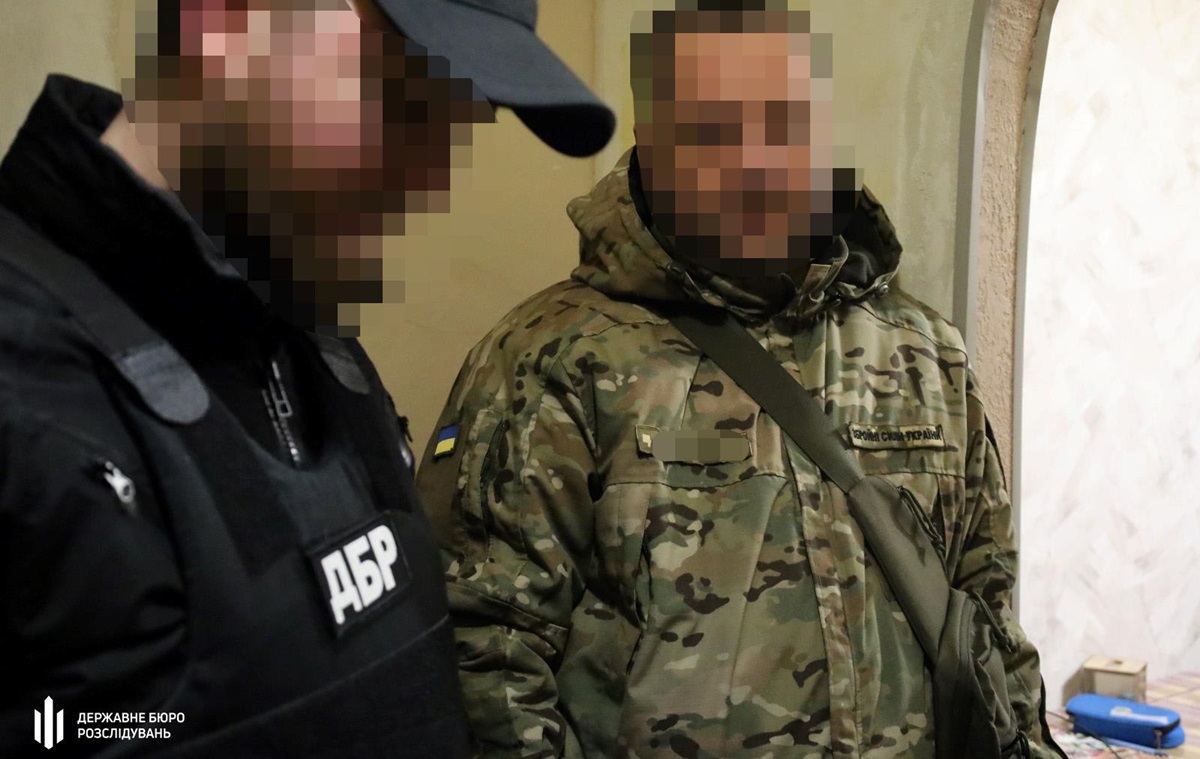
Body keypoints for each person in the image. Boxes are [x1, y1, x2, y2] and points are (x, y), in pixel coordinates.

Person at [416, 1, 1063, 756]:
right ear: (651, 138)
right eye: (716, 129)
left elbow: (986, 619)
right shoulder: (550, 361)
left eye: (783, 122)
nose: (757, 159)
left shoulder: (924, 354)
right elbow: (486, 653)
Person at [0, 0, 613, 757]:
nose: (426, 179)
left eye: (455, 124)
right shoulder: (27, 381)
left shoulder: (316, 345)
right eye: (401, 98)